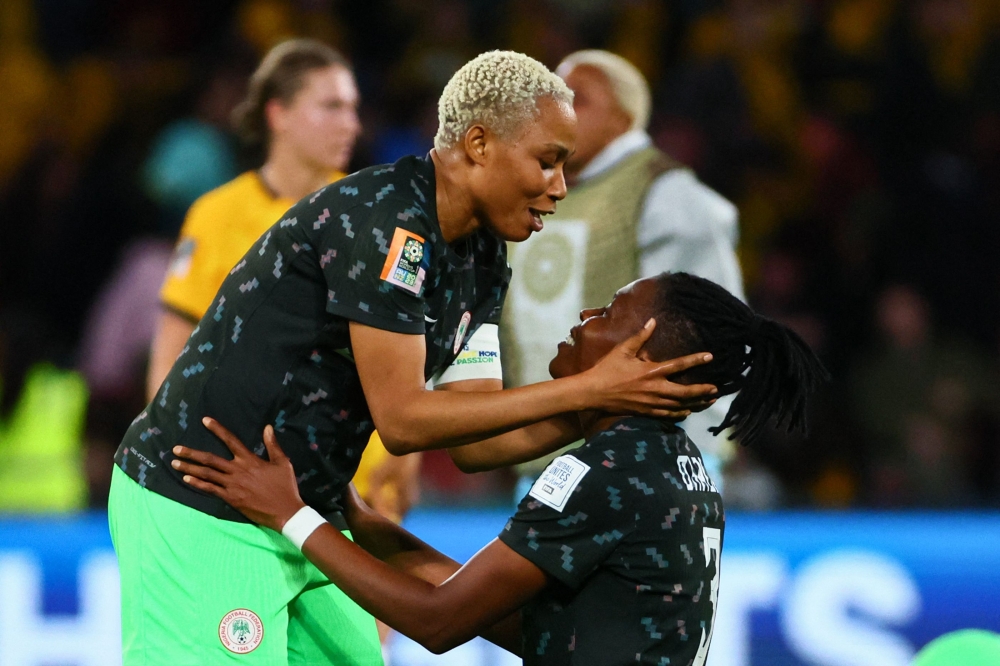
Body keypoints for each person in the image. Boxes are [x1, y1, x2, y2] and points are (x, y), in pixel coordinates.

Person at [109, 50, 717, 665]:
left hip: (299, 508)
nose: (559, 186)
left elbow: (476, 437)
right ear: (479, 144)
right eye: (548, 161)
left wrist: (605, 408)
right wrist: (588, 393)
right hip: (204, 497)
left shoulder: (482, 256)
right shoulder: (389, 224)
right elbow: (402, 421)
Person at [170, 271, 828, 665]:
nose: (584, 318)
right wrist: (356, 517)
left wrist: (292, 516)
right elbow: (541, 631)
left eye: (609, 315)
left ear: (645, 357)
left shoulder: (605, 471)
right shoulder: (678, 467)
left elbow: (439, 623)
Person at [502, 50, 745, 497]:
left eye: (579, 98)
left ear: (624, 118)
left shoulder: (667, 193)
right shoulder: (533, 192)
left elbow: (711, 330)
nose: (558, 111)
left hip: (645, 456)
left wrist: (696, 450)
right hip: (543, 450)